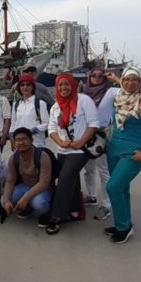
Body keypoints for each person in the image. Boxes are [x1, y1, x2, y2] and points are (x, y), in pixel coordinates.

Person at [105, 67, 141, 244]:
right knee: (123, 189)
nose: (130, 83)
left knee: (113, 187)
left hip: (133, 153)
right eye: (127, 79)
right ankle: (124, 223)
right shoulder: (118, 98)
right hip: (113, 150)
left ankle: (123, 228)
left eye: (134, 80)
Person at [46, 73, 99, 234]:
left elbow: (93, 124)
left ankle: (56, 217)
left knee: (64, 179)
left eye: (66, 84)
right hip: (63, 149)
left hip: (79, 150)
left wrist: (81, 142)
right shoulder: (56, 106)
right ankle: (75, 210)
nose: (63, 88)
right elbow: (52, 129)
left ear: (73, 85)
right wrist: (60, 142)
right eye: (60, 85)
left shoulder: (83, 100)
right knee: (72, 179)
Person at [81, 68, 120, 220]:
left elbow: (129, 91)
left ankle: (106, 204)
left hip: (103, 135)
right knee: (88, 167)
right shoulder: (84, 93)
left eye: (100, 75)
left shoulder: (110, 92)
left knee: (103, 170)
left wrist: (116, 78)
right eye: (93, 75)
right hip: (87, 134)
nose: (96, 78)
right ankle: (91, 195)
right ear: (89, 77)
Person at [2, 127, 52, 225]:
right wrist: (6, 201)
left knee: (39, 203)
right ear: (14, 142)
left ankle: (46, 214)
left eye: (24, 139)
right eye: (18, 140)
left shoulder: (42, 156)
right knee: (5, 199)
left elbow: (44, 182)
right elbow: (10, 180)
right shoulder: (13, 158)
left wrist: (25, 198)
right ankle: (29, 208)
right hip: (25, 186)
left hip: (42, 188)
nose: (21, 143)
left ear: (31, 140)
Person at [9, 73, 49, 149]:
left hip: (36, 143)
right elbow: (13, 123)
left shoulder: (40, 103)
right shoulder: (16, 105)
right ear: (19, 88)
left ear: (33, 87)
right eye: (22, 85)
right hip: (19, 144)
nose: (25, 87)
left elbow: (46, 123)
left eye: (28, 85)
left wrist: (32, 131)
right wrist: (11, 137)